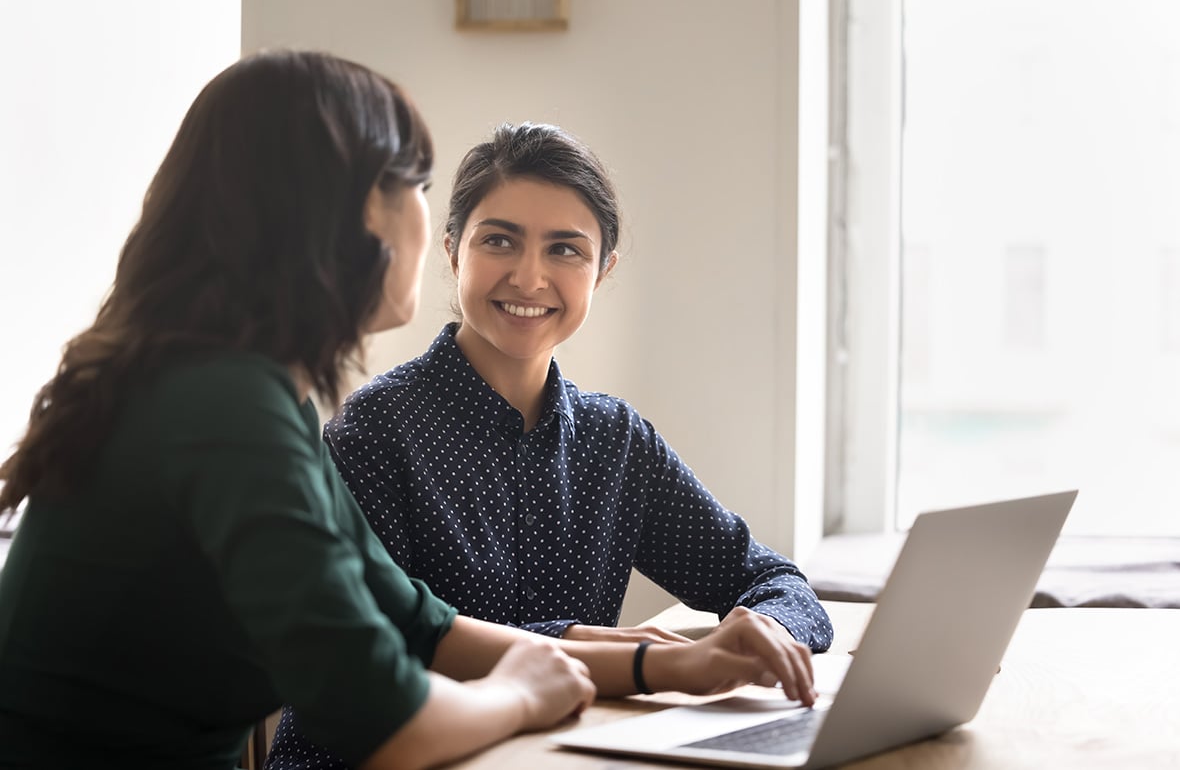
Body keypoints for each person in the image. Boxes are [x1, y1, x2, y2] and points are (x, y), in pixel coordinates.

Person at [0, 56, 817, 770]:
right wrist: (528, 691)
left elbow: (420, 624)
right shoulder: (233, 406)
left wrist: (665, 666)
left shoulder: (247, 395)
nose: (425, 216)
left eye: (564, 248)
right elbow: (391, 711)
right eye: (412, 186)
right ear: (332, 218)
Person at [265, 122, 833, 769]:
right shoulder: (375, 432)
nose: (529, 277)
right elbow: (390, 655)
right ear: (453, 251)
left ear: (603, 269)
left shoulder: (615, 441)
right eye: (499, 240)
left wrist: (771, 632)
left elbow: (773, 578)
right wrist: (638, 660)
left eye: (566, 250)